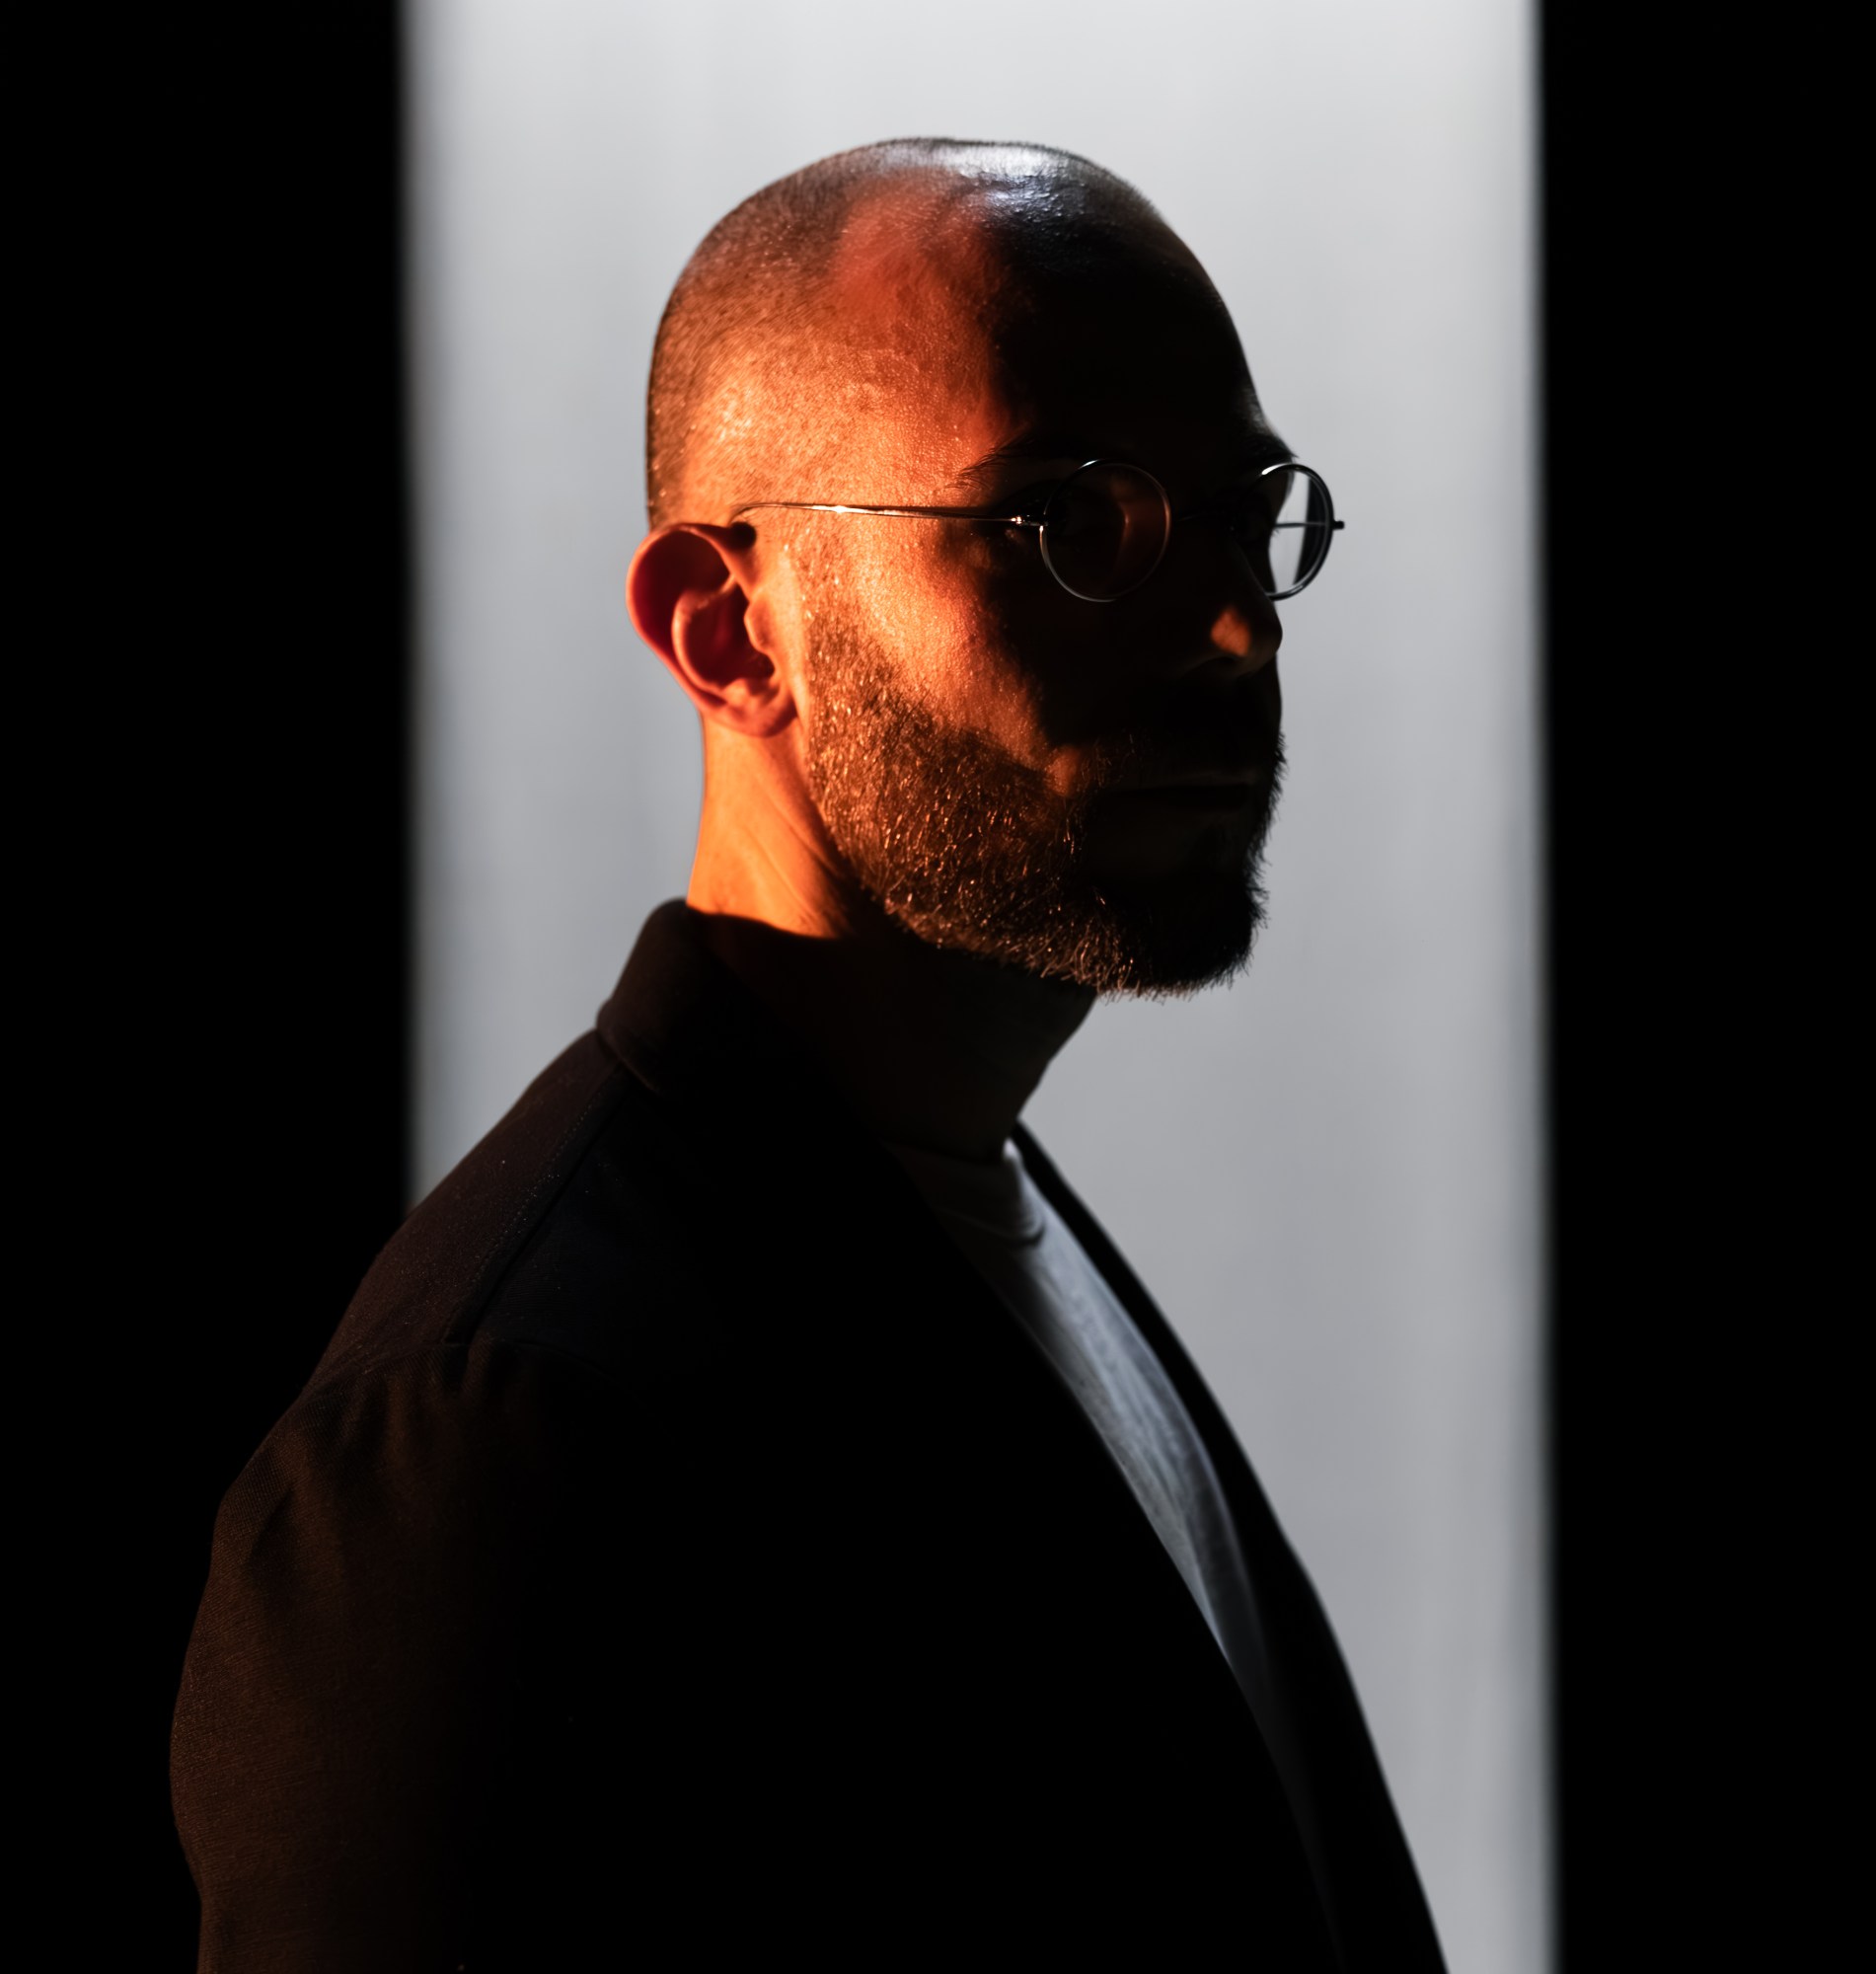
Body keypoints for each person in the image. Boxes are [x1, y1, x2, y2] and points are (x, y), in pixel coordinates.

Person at [173, 138, 1445, 1970]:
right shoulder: (493, 1442)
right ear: (727, 629)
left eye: (1246, 512)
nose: (1238, 627)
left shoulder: (974, 1209)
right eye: (1075, 521)